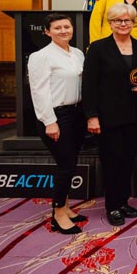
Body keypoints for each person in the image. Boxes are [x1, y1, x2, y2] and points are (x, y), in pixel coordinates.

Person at [83, 3, 137, 227]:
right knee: (111, 161)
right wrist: (91, 115)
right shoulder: (98, 48)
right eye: (118, 20)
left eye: (127, 20)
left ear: (133, 23)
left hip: (134, 114)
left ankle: (123, 201)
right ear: (110, 23)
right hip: (107, 116)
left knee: (127, 160)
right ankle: (112, 206)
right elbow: (89, 84)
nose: (123, 24)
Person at [28, 13, 88, 234]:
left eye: (66, 26)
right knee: (66, 165)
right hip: (56, 116)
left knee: (71, 163)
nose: (63, 31)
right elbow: (38, 91)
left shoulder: (78, 53)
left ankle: (66, 206)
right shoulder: (41, 56)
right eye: (57, 28)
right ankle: (58, 214)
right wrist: (49, 121)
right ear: (47, 32)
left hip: (77, 114)